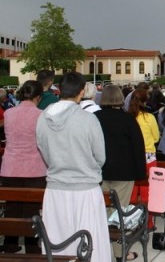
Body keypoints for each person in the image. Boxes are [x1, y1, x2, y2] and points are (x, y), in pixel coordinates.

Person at [35, 72, 111, 261]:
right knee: (90, 244)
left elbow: (43, 150)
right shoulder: (88, 119)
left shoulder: (43, 117)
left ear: (60, 89)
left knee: (59, 241)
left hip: (55, 190)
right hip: (85, 189)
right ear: (81, 91)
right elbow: (100, 157)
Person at [95, 85, 146, 262]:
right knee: (119, 214)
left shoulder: (94, 118)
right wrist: (141, 173)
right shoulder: (128, 120)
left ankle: (100, 249)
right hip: (124, 173)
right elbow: (138, 148)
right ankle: (119, 253)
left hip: (99, 172)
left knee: (102, 212)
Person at [0, 81, 46, 254]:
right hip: (35, 168)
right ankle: (32, 248)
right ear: (38, 97)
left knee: (12, 208)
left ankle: (10, 245)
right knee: (32, 211)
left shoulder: (9, 113)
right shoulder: (41, 115)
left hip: (11, 167)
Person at [128, 88, 161, 211]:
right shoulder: (149, 117)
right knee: (149, 190)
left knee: (132, 191)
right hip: (148, 157)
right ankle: (149, 221)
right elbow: (156, 137)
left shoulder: (128, 117)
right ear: (145, 102)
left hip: (132, 158)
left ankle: (131, 220)